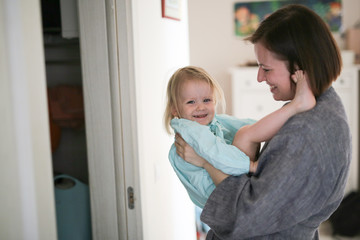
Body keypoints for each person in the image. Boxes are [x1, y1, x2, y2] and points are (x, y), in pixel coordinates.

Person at [174, 4, 351, 239]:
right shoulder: (321, 104)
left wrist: (205, 162)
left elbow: (247, 214)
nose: (259, 78)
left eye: (266, 68)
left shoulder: (306, 134)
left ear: (299, 67)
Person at [165, 66, 315, 209]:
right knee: (245, 135)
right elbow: (217, 154)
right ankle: (297, 105)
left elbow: (250, 124)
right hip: (219, 197)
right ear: (174, 108)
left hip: (224, 184)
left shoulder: (212, 121)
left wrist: (280, 128)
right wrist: (252, 166)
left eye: (206, 100)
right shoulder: (190, 131)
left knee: (246, 130)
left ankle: (296, 108)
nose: (200, 107)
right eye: (191, 102)